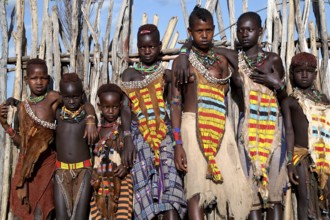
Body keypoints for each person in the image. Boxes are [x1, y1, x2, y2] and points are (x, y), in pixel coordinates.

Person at [174, 11, 287, 220]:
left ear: (260, 32)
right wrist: (183, 51)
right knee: (215, 189)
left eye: (250, 29)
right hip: (218, 129)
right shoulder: (215, 59)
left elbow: (284, 97)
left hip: (254, 130)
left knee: (258, 193)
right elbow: (175, 102)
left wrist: (277, 84)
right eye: (240, 30)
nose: (245, 34)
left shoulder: (260, 59)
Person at [171, 5, 252, 219]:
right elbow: (175, 104)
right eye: (199, 31)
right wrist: (178, 143)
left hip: (221, 129)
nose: (204, 35)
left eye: (208, 30)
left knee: (229, 188)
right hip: (191, 127)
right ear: (190, 32)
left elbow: (242, 66)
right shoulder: (182, 64)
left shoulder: (222, 61)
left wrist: (191, 49)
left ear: (214, 29)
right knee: (196, 188)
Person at [0, 59, 97, 220]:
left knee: (44, 210)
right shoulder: (23, 109)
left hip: (48, 164)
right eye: (34, 78)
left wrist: (91, 118)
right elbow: (22, 142)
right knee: (28, 209)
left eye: (43, 78)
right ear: (26, 80)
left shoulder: (55, 99)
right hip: (28, 165)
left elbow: (83, 103)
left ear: (48, 79)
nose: (39, 82)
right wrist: (6, 127)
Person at [120, 24, 187, 220]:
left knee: (170, 193)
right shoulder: (129, 74)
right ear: (137, 48)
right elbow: (125, 108)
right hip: (139, 138)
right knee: (145, 193)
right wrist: (128, 139)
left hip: (164, 137)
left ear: (159, 47)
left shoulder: (166, 75)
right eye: (142, 47)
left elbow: (174, 106)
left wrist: (176, 142)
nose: (147, 51)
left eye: (151, 47)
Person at [281, 52, 330, 219]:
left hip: (325, 157)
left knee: (325, 199)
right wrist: (289, 163)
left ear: (315, 74)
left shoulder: (324, 100)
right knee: (305, 200)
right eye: (299, 71)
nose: (304, 75)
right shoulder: (290, 101)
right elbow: (289, 131)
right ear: (292, 74)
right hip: (302, 157)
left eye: (308, 71)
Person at [54, 73, 97, 219]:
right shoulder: (57, 115)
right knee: (61, 216)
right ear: (61, 96)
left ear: (82, 95)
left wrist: (91, 119)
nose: (71, 101)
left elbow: (89, 106)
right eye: (67, 97)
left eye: (76, 97)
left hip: (83, 171)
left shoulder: (86, 116)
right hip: (61, 171)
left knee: (80, 216)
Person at [89, 83, 133, 220]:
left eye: (114, 107)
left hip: (122, 181)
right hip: (99, 182)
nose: (110, 111)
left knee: (122, 216)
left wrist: (125, 166)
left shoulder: (123, 131)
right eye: (106, 107)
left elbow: (130, 153)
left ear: (120, 106)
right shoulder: (96, 131)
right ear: (99, 107)